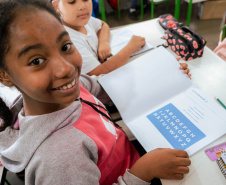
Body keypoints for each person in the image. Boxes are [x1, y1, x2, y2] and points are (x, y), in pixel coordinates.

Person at [0, 0, 191, 184]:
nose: (65, 69)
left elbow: (105, 85)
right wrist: (143, 172)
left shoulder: (69, 90)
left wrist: (164, 75)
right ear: (4, 75)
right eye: (36, 61)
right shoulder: (60, 160)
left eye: (65, 47)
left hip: (130, 156)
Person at [51, 0, 146, 76]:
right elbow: (98, 72)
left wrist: (103, 43)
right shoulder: (67, 40)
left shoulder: (80, 19)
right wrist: (131, 47)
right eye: (72, 2)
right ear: (56, 6)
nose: (82, 6)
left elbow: (103, 25)